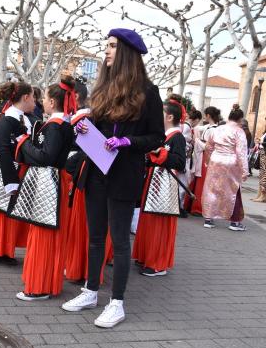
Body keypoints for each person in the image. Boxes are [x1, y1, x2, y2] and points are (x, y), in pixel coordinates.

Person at [61, 29, 164, 328]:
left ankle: (116, 303)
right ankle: (90, 291)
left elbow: (156, 136)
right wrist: (85, 130)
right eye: (106, 45)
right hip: (95, 170)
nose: (106, 51)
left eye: (112, 46)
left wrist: (127, 143)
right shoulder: (103, 88)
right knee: (95, 238)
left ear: (127, 53)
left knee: (119, 241)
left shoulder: (148, 92)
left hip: (123, 175)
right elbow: (99, 128)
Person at [15, 81, 75, 301]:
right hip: (54, 182)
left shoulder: (55, 126)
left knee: (43, 235)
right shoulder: (64, 125)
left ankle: (38, 286)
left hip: (48, 183)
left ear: (51, 102)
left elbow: (45, 157)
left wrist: (23, 143)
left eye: (45, 98)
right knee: (48, 235)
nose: (41, 101)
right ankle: (45, 282)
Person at [0, 81, 35, 265]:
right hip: (5, 169)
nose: (35, 101)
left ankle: (5, 250)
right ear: (25, 97)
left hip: (16, 170)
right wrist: (10, 180)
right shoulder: (8, 117)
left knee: (10, 213)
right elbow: (1, 148)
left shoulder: (23, 117)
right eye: (33, 96)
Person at [132, 100, 186, 277]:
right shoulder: (162, 135)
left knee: (160, 223)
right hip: (154, 182)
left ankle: (158, 263)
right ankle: (146, 256)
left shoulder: (177, 137)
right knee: (148, 220)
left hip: (165, 186)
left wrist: (162, 155)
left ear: (170, 117)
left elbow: (179, 162)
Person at [202, 105, 249, 231]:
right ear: (240, 119)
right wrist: (245, 170)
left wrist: (208, 160)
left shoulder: (218, 129)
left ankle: (208, 219)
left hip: (216, 160)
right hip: (231, 162)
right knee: (233, 190)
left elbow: (208, 146)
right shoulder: (239, 132)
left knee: (212, 188)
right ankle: (234, 222)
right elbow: (241, 152)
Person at [188, 106, 220, 217]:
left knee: (202, 182)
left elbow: (207, 147)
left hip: (205, 157)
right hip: (206, 157)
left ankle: (198, 207)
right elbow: (198, 129)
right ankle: (197, 206)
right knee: (201, 181)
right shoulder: (213, 128)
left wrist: (196, 140)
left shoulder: (212, 129)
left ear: (208, 116)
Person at [252, 125, 266, 202]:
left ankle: (263, 195)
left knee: (264, 175)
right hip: (262, 153)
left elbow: (264, 143)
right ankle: (260, 194)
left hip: (265, 154)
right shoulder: (265, 132)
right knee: (261, 174)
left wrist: (261, 142)